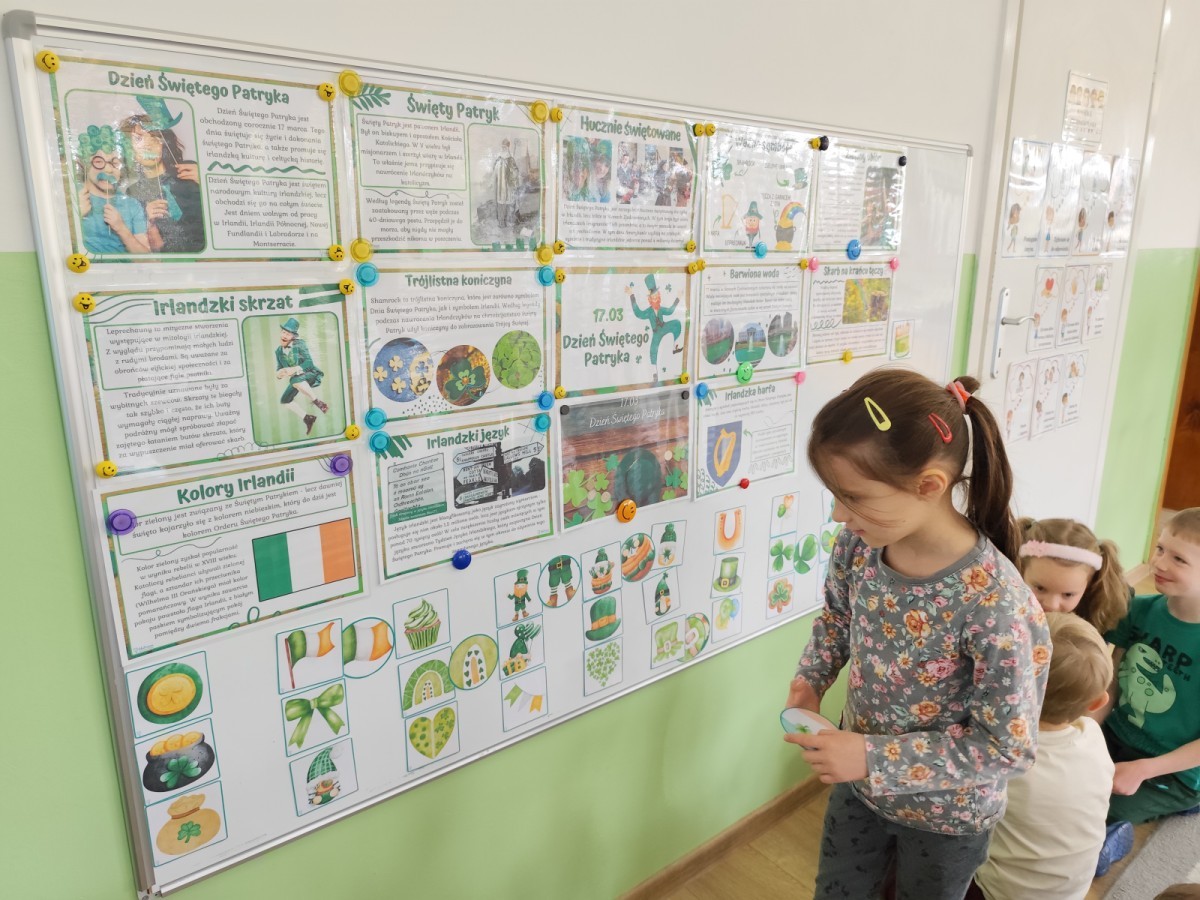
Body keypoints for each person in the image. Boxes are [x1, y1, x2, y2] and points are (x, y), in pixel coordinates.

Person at [785, 370, 1050, 900]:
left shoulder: (996, 603)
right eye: (835, 495)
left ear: (929, 486)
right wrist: (809, 680)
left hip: (948, 818)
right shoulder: (859, 545)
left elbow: (1008, 748)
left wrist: (871, 757)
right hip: (859, 790)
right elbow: (837, 618)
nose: (838, 514)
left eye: (852, 496)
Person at [971, 613, 1114, 900]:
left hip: (1000, 893)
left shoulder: (999, 753)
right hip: (1073, 890)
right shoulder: (1092, 735)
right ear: (1097, 703)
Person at [1096, 508, 1200, 870]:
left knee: (1101, 807)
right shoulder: (1139, 610)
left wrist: (1144, 769)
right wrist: (1086, 730)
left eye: (1179, 559)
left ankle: (1115, 838)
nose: (1159, 562)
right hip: (1118, 733)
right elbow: (1113, 679)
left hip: (1174, 770)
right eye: (1160, 548)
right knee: (1061, 780)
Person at [119, 96, 204, 253]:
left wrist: (208, 184)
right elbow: (137, 246)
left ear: (164, 143)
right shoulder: (132, 193)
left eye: (154, 137)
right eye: (138, 139)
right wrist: (145, 220)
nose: (147, 145)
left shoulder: (191, 171)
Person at [1018, 517, 1129, 634]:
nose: (1052, 605)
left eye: (1068, 594)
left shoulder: (1092, 620)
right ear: (1021, 571)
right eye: (1040, 588)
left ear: (1088, 586)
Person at [75, 124, 149, 255]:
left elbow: (146, 259)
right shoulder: (72, 194)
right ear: (85, 163)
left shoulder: (132, 205)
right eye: (98, 161)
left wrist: (121, 228)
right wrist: (75, 215)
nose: (108, 169)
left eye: (115, 163)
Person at [275, 317, 328, 435]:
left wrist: (294, 369)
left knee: (294, 380)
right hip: (296, 380)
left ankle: (319, 403)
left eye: (288, 334)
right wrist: (279, 374)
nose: (284, 335)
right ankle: (307, 418)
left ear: (293, 336)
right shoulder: (278, 351)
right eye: (283, 332)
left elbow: (309, 363)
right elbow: (279, 368)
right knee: (285, 400)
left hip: (310, 373)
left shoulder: (300, 344)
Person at [491, 138, 520, 229]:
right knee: (501, 203)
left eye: (505, 147)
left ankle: (509, 221)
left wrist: (513, 172)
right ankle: (501, 222)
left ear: (508, 147)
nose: (504, 148)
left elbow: (516, 172)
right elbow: (494, 172)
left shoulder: (511, 160)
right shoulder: (498, 160)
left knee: (509, 202)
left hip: (508, 186)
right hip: (500, 187)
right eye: (502, 147)